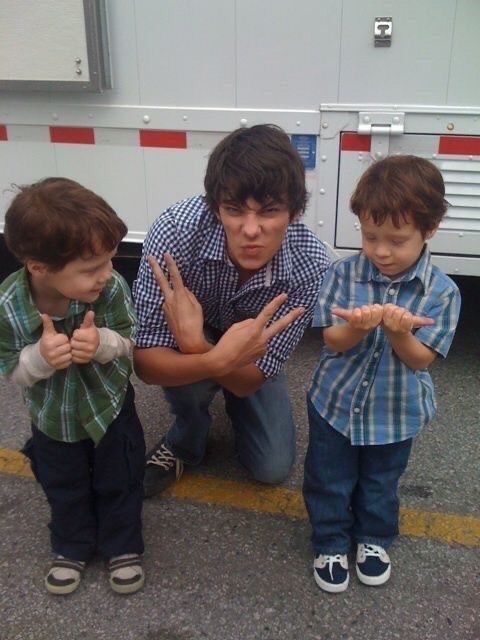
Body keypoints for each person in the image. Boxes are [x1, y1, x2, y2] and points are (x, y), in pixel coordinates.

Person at [133, 124, 331, 497]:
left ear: (295, 211)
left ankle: (229, 405)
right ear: (215, 207)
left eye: (269, 211)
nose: (251, 229)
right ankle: (186, 440)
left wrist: (201, 352)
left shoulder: (312, 265)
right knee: (189, 382)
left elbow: (251, 378)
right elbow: (145, 364)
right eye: (234, 210)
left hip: (244, 355)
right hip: (195, 335)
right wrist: (202, 354)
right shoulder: (175, 231)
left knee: (272, 468)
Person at [303, 155, 461, 593]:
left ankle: (373, 539)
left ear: (429, 230)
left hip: (395, 411)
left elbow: (420, 360)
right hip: (334, 402)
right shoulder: (342, 273)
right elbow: (332, 340)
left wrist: (397, 332)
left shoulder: (442, 292)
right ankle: (330, 540)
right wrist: (357, 325)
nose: (381, 251)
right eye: (371, 236)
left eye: (397, 239)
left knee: (380, 481)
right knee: (328, 477)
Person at [0, 178, 146, 595]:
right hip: (53, 418)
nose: (106, 275)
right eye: (91, 268)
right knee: (63, 482)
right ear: (38, 266)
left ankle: (122, 545)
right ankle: (72, 545)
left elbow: (129, 335)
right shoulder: (8, 306)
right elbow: (9, 366)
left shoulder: (111, 288)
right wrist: (38, 359)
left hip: (109, 405)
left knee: (121, 475)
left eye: (109, 261)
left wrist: (103, 343)